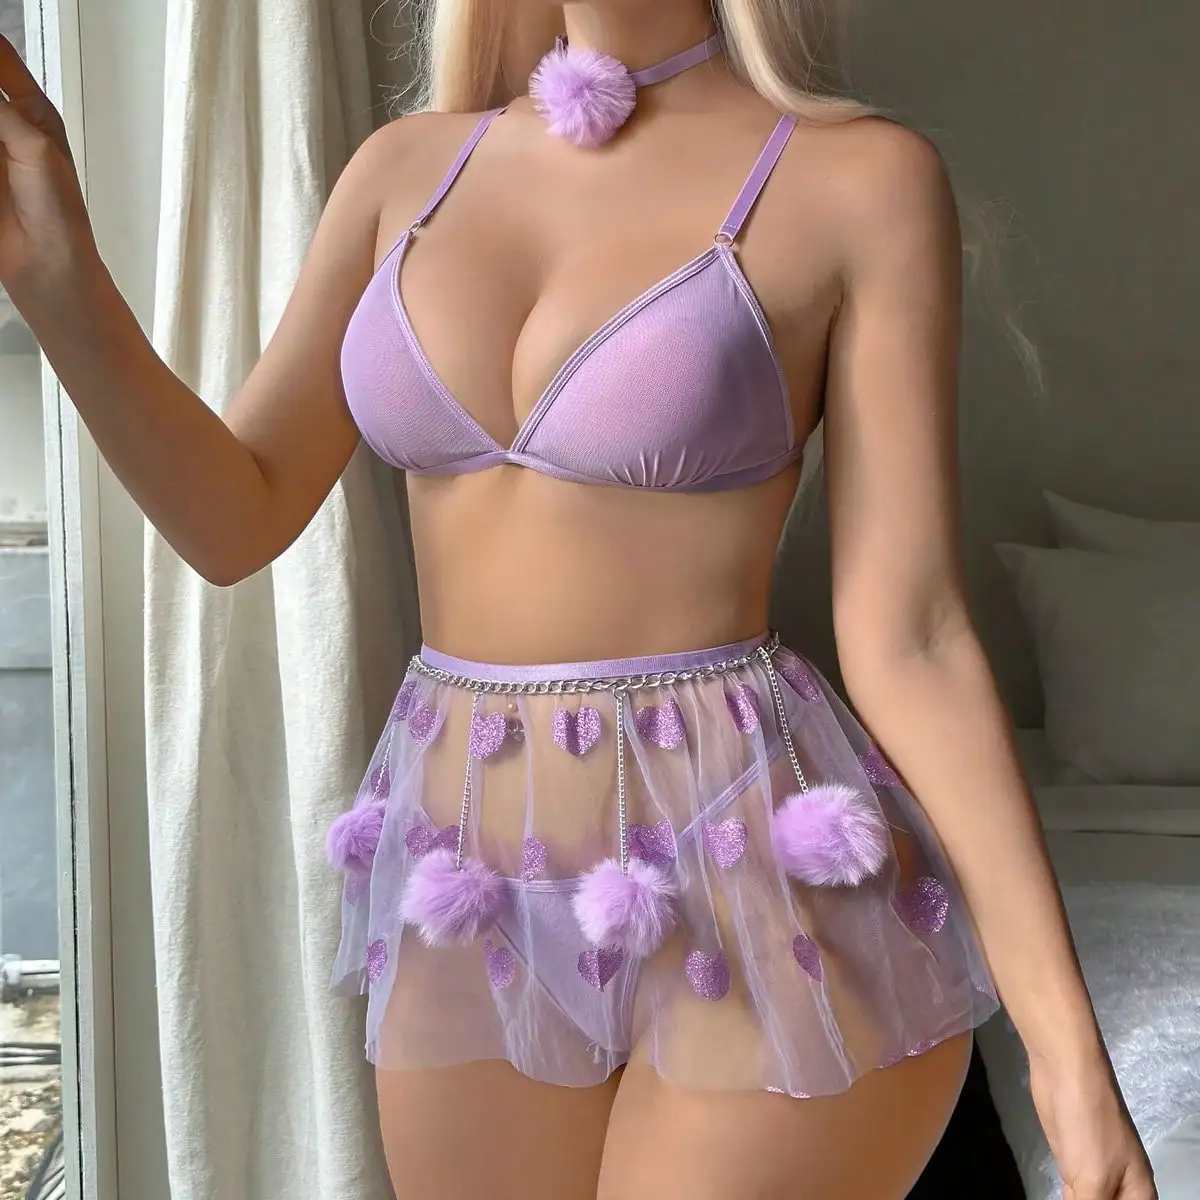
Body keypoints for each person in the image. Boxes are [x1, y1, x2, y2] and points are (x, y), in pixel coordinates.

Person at [0, 3, 1156, 1198]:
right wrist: (54, 275)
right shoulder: (405, 173)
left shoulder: (858, 179)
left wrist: (1069, 1059)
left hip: (752, 876)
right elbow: (233, 519)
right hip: (469, 880)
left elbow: (912, 636)